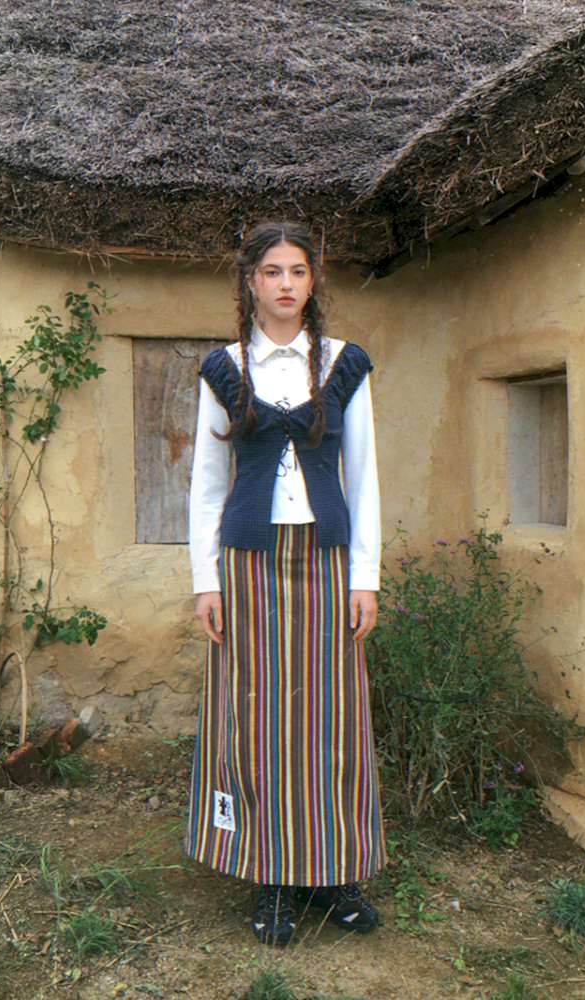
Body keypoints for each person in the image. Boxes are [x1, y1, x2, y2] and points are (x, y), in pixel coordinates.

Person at [186, 220, 385, 946]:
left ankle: (334, 871)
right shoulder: (223, 369)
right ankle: (269, 873)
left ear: (312, 281)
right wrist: (205, 581)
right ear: (251, 282)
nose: (285, 284)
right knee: (258, 713)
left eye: (297, 271)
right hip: (248, 564)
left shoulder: (343, 364)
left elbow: (363, 477)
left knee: (332, 715)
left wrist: (365, 577)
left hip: (327, 562)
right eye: (272, 271)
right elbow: (207, 484)